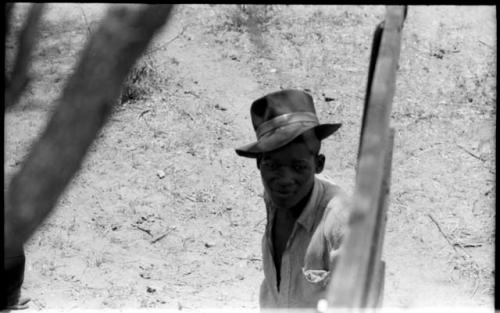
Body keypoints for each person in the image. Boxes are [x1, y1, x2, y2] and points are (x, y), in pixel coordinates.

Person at [235, 89, 350, 309]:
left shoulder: (339, 219)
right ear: (259, 163)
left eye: (298, 167)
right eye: (273, 165)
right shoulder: (273, 198)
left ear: (318, 164)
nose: (285, 180)